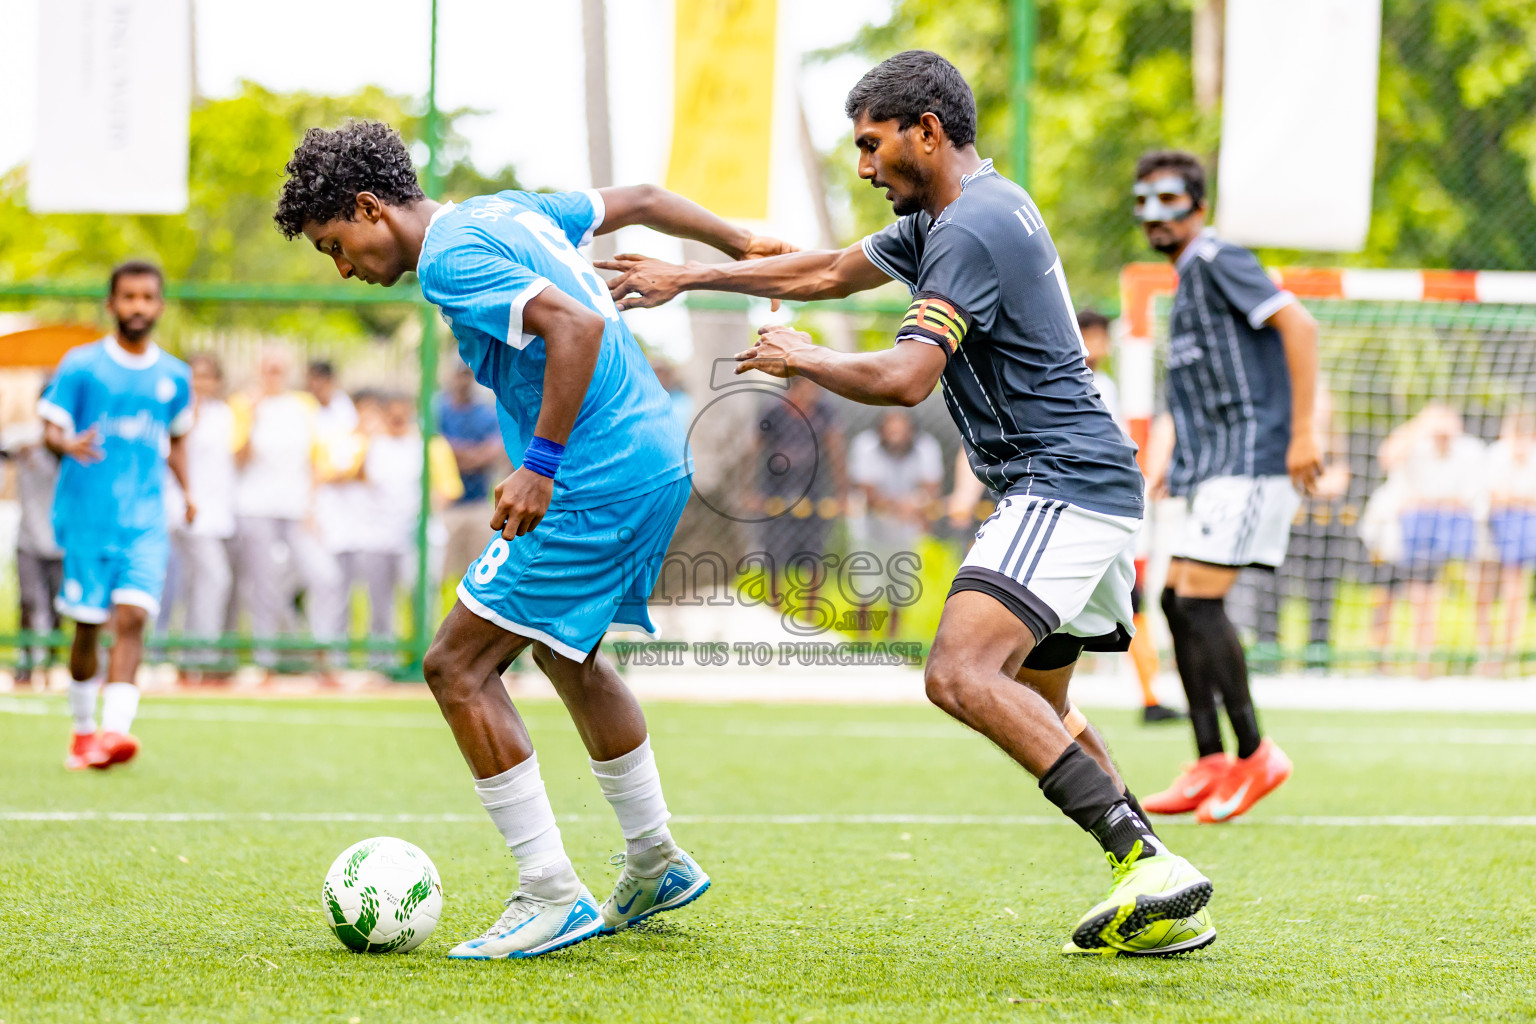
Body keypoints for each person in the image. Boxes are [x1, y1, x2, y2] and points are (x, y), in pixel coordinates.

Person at [600, 51, 1214, 956]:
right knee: (1042, 706)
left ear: (927, 130)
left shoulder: (966, 229)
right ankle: (1157, 885)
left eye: (871, 144)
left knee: (959, 673)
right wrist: (685, 279)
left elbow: (903, 377)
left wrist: (802, 358)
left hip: (1061, 486)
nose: (862, 165)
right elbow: (826, 273)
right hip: (1071, 485)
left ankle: (1141, 858)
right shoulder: (954, 215)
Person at [275, 119, 794, 958]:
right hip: (655, 455)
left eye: (336, 244)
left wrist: (540, 465)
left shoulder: (448, 258)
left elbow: (575, 328)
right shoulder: (509, 211)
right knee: (565, 652)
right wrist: (738, 237)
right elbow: (646, 199)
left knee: (455, 665)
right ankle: (654, 855)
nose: (343, 267)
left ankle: (549, 891)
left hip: (597, 473)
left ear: (370, 208)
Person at [1129, 150, 1320, 824]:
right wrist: (1168, 463)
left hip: (1254, 462)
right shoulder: (1186, 286)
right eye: (1143, 200)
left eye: (1168, 198)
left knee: (1200, 606)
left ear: (1198, 206)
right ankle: (1210, 759)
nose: (1154, 212)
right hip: (1213, 472)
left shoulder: (1218, 259)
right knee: (1179, 604)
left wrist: (1302, 435)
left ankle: (1256, 752)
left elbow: (1300, 324)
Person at [37, 261, 193, 770]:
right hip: (87, 518)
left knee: (133, 617)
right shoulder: (82, 366)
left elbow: (177, 441)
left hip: (145, 520)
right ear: (111, 304)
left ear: (160, 305)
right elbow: (50, 429)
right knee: (87, 627)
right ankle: (82, 732)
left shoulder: (175, 375)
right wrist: (66, 443)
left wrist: (188, 492)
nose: (138, 307)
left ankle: (113, 733)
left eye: (147, 298)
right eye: (128, 297)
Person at [1077, 309, 1182, 724]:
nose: (1101, 344)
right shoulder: (1078, 383)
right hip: (1085, 506)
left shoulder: (1103, 383)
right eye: (1095, 335)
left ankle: (1151, 697)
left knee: (1131, 600)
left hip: (1101, 506)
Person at [231, 346, 338, 666]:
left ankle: (324, 654)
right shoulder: (242, 405)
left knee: (324, 577)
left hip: (296, 509)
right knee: (263, 586)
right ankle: (264, 660)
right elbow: (238, 458)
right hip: (256, 507)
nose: (273, 375)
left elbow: (316, 461)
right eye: (268, 368)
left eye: (279, 368)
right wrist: (251, 416)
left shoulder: (303, 406)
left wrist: (312, 508)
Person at [163, 354, 238, 676]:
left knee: (198, 585)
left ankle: (191, 659)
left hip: (217, 515)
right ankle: (196, 656)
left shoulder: (224, 414)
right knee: (212, 579)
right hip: (184, 512)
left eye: (206, 377)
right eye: (194, 377)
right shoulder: (174, 413)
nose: (200, 384)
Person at [848, 408, 942, 635]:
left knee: (901, 587)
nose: (895, 431)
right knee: (866, 586)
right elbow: (868, 491)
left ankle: (893, 641)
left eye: (901, 425)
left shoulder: (925, 447)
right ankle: (863, 641)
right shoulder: (866, 445)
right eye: (890, 425)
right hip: (871, 526)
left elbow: (931, 488)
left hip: (906, 527)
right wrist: (903, 506)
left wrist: (912, 507)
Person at [3, 404, 64, 687]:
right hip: (29, 537)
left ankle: (51, 664)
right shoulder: (23, 439)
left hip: (62, 539)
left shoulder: (72, 445)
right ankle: (26, 665)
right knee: (28, 602)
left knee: (57, 606)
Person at [434, 364, 502, 583]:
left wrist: (451, 453)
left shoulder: (486, 414)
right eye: (458, 375)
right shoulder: (438, 410)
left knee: (480, 576)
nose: (462, 381)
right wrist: (472, 452)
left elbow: (492, 453)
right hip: (442, 506)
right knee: (436, 575)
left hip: (477, 503)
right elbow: (431, 447)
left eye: (467, 376)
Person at [1483, 409, 1536, 668]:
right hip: (1487, 530)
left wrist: (1514, 500)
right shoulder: (1495, 455)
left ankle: (1507, 653)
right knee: (1484, 588)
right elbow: (1493, 497)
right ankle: (1487, 652)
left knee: (1516, 583)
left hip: (1521, 533)